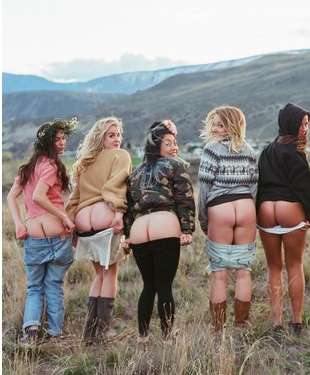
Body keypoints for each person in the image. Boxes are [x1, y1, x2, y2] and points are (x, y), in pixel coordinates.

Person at [124, 119, 195, 343]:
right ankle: (166, 336)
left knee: (148, 286)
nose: (174, 147)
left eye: (175, 143)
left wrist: (127, 236)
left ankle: (142, 336)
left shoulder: (135, 173)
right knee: (164, 285)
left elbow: (129, 207)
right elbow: (185, 199)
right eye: (168, 144)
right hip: (164, 225)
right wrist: (187, 229)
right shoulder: (176, 165)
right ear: (157, 146)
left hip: (138, 230)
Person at [7, 118, 77, 344]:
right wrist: (64, 216)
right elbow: (38, 195)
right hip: (56, 235)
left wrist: (19, 223)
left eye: (63, 138)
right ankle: (55, 333)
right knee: (53, 285)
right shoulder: (50, 166)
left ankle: (32, 331)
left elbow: (11, 197)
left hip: (35, 236)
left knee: (35, 287)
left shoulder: (27, 169)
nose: (62, 142)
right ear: (46, 142)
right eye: (57, 139)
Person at [66, 117, 132, 343]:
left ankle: (89, 333)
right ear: (101, 137)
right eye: (111, 135)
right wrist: (119, 213)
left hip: (85, 226)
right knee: (110, 273)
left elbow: (75, 199)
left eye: (119, 135)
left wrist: (71, 225)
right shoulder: (121, 155)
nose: (117, 139)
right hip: (106, 223)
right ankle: (103, 333)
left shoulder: (85, 161)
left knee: (99, 274)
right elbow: (117, 186)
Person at [256, 103, 310, 336]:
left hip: (265, 209)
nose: (305, 128)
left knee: (273, 267)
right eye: (302, 123)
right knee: (294, 265)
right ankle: (296, 321)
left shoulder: (267, 151)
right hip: (289, 208)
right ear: (291, 123)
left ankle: (276, 322)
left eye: (306, 123)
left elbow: (259, 184)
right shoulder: (296, 151)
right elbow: (303, 186)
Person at [198, 106, 258, 331]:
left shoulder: (211, 149)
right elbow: (254, 187)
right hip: (245, 207)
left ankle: (218, 328)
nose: (214, 128)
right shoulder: (249, 150)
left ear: (232, 125)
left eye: (220, 124)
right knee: (244, 271)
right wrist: (252, 215)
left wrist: (204, 220)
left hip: (220, 207)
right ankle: (241, 324)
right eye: (213, 123)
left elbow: (204, 187)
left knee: (219, 273)